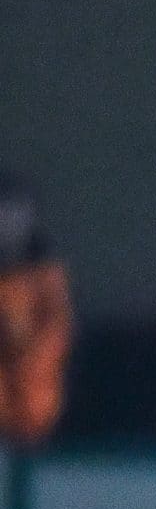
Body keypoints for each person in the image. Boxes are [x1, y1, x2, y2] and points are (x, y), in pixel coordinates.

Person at [0, 171, 72, 452]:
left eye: (16, 217)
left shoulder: (45, 284)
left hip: (35, 430)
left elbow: (51, 345)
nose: (7, 225)